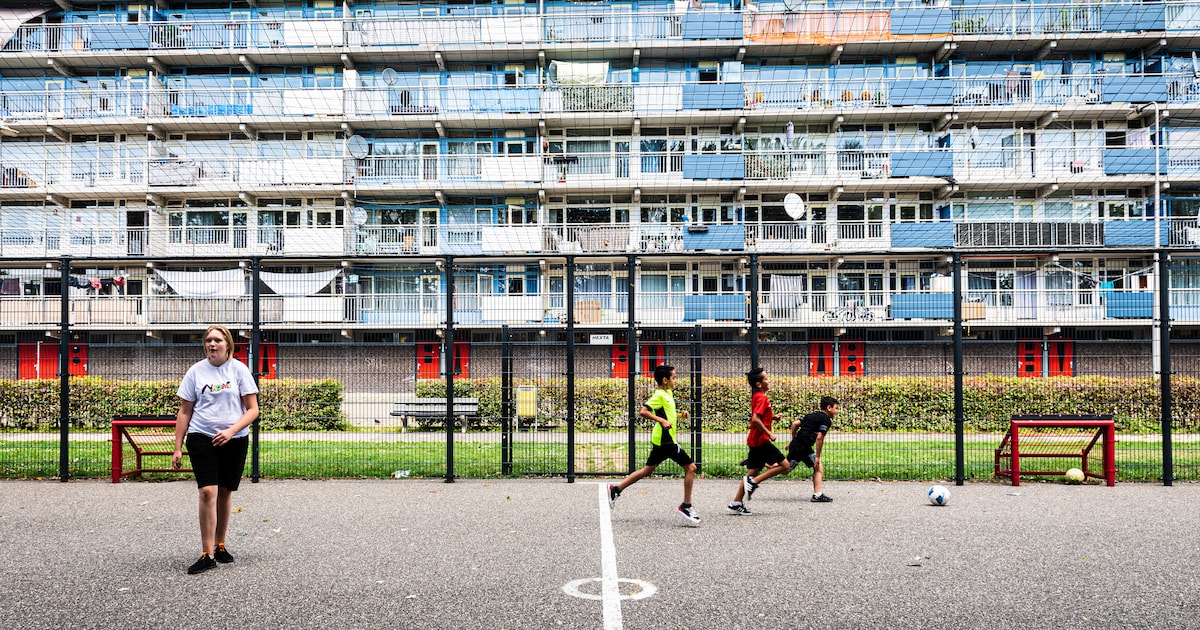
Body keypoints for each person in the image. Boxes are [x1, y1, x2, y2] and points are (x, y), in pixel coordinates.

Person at [172, 325, 260, 574]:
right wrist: (177, 447)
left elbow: (253, 410)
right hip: (202, 437)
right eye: (209, 340)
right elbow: (185, 411)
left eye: (217, 340)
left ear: (228, 344)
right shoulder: (196, 372)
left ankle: (220, 545)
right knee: (208, 492)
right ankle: (207, 553)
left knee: (224, 491)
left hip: (235, 439)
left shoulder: (239, 370)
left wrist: (231, 431)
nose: (212, 344)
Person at [607, 364, 700, 525]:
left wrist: (679, 415)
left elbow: (667, 413)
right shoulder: (659, 395)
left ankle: (616, 489)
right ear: (665, 380)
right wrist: (662, 421)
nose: (675, 380)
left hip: (661, 439)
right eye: (674, 377)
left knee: (647, 471)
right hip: (666, 441)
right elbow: (643, 411)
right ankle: (686, 506)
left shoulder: (668, 393)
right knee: (691, 468)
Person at [728, 367, 792, 514]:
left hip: (755, 440)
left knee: (753, 470)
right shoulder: (762, 398)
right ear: (759, 384)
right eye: (766, 379)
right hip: (761, 441)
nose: (769, 381)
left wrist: (773, 417)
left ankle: (736, 502)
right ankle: (754, 482)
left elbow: (760, 416)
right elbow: (755, 419)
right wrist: (769, 433)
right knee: (785, 466)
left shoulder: (758, 396)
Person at [787, 395, 839, 503]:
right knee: (818, 466)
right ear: (829, 408)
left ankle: (759, 461)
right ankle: (817, 495)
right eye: (836, 408)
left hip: (799, 445)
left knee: (785, 469)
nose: (836, 411)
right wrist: (818, 457)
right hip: (803, 447)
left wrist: (793, 440)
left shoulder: (812, 415)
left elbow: (795, 424)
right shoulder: (826, 420)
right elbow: (819, 438)